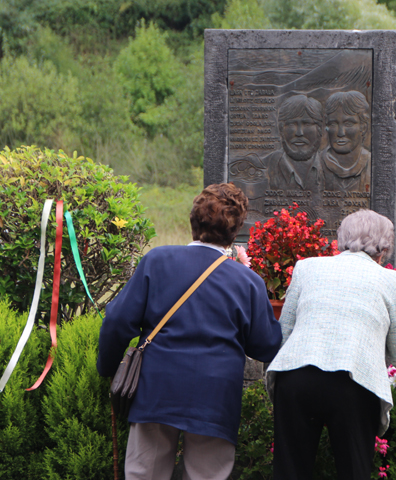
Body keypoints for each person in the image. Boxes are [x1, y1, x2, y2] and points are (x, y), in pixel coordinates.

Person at [97, 183, 282, 480]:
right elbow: (266, 345)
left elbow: (118, 321)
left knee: (144, 474)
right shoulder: (247, 282)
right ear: (234, 233)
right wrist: (248, 274)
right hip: (215, 396)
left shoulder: (156, 261)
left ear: (193, 223)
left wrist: (107, 369)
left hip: (155, 389)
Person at [266, 209, 396, 480]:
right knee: (353, 472)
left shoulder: (307, 267)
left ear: (340, 240)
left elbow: (283, 333)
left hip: (296, 377)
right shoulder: (392, 280)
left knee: (288, 472)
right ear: (383, 250)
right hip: (354, 384)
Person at [265, 94, 326, 192]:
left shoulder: (331, 169)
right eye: (291, 124)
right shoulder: (265, 170)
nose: (299, 133)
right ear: (281, 129)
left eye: (307, 124)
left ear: (319, 129)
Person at [320, 91, 371, 192]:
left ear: (363, 127)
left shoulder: (374, 165)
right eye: (333, 124)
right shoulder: (315, 166)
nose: (340, 133)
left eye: (348, 124)